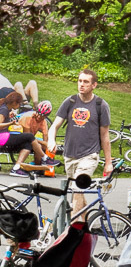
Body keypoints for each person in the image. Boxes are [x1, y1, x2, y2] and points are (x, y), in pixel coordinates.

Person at [47, 69, 114, 218]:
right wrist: (51, 140)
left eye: (86, 82)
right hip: (69, 156)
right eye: (80, 81)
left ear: (94, 85)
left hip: (89, 156)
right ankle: (83, 227)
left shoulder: (101, 105)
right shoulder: (70, 101)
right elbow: (55, 126)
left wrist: (108, 162)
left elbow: (105, 136)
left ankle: (73, 231)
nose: (81, 84)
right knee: (77, 192)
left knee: (77, 189)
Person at [0, 93, 55, 176]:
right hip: (2, 137)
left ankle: (16, 168)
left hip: (5, 136)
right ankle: (45, 158)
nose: (19, 106)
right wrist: (11, 123)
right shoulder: (4, 109)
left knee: (27, 145)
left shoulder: (6, 109)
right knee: (29, 136)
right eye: (19, 104)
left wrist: (10, 118)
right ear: (14, 103)